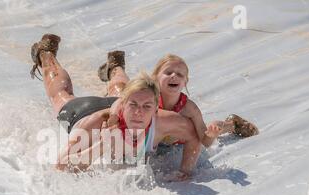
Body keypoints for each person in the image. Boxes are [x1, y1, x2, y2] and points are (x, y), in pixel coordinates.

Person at [30, 34, 201, 179]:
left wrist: (185, 172)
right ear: (123, 106)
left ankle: (114, 67)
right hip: (83, 111)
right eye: (133, 105)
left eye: (147, 107)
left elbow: (193, 137)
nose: (139, 113)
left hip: (118, 100)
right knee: (61, 94)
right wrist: (102, 145)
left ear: (157, 109)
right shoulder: (96, 125)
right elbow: (61, 166)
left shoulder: (164, 120)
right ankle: (45, 54)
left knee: (123, 90)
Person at [100, 52, 259, 147]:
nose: (174, 76)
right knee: (119, 89)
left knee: (211, 128)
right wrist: (114, 117)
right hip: (152, 139)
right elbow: (119, 102)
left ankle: (232, 124)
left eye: (180, 75)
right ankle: (116, 67)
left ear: (185, 82)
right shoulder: (146, 97)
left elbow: (204, 141)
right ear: (155, 78)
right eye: (168, 72)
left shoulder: (189, 109)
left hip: (169, 143)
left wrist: (211, 135)